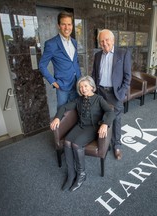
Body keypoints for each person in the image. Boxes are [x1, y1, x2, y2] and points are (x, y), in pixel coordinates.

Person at [50, 76, 115, 191]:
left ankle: (81, 174)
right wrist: (57, 118)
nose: (83, 89)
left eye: (85, 86)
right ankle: (71, 174)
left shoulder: (99, 99)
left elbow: (110, 111)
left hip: (93, 128)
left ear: (91, 86)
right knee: (67, 142)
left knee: (76, 144)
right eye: (81, 87)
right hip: (80, 126)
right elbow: (64, 107)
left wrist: (105, 124)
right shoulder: (78, 100)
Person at [92, 29, 131, 160]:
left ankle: (117, 146)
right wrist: (93, 89)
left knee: (116, 119)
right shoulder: (97, 55)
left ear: (113, 40)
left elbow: (127, 77)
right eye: (101, 41)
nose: (104, 43)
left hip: (115, 93)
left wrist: (121, 92)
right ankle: (105, 144)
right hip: (100, 92)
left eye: (107, 40)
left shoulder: (123, 54)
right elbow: (94, 74)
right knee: (102, 118)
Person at [39, 11, 81, 109]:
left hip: (77, 84)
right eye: (63, 24)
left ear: (72, 25)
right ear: (58, 25)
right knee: (62, 114)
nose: (67, 28)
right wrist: (53, 82)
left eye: (69, 24)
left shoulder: (74, 42)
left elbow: (75, 62)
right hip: (62, 86)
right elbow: (42, 65)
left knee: (76, 110)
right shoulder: (51, 44)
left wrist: (80, 78)